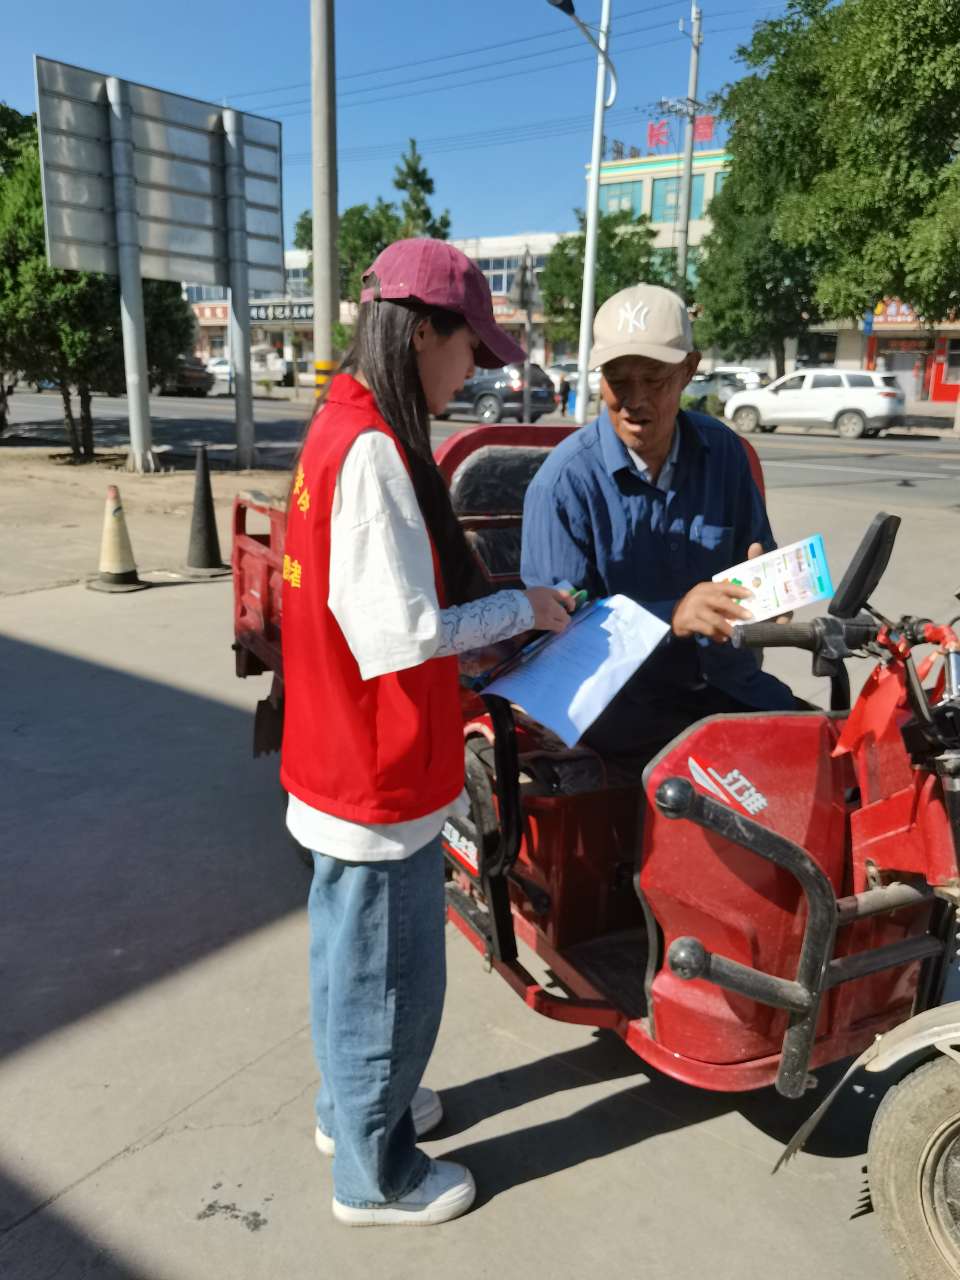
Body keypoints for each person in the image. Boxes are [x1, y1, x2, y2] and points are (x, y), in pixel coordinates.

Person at [280, 238, 573, 1228]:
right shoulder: (371, 449)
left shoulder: (341, 420)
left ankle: (356, 1110)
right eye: (469, 349)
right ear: (421, 334)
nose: (474, 371)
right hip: (377, 769)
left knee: (348, 963)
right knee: (392, 980)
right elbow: (399, 632)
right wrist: (523, 608)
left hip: (339, 754)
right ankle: (377, 1174)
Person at [521, 282, 796, 765]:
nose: (635, 401)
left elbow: (757, 558)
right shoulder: (564, 483)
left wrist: (769, 590)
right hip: (622, 709)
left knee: (831, 760)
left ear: (689, 369)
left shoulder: (724, 453)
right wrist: (674, 616)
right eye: (617, 381)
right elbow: (560, 637)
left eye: (653, 379)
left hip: (729, 685)